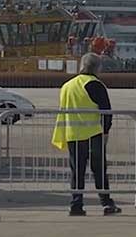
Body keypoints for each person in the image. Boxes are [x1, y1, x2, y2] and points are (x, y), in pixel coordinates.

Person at [51, 52, 121, 217]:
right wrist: (105, 131)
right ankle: (106, 203)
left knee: (77, 172)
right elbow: (106, 111)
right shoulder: (95, 84)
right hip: (93, 134)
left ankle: (76, 205)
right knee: (99, 170)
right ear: (97, 67)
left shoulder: (67, 85)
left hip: (72, 134)